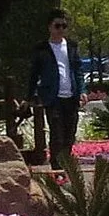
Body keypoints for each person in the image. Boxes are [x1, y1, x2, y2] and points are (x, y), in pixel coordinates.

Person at [25, 9, 84, 169]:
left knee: (69, 135)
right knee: (57, 135)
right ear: (49, 27)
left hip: (71, 97)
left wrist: (82, 90)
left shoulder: (72, 46)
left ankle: (67, 166)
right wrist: (29, 96)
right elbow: (34, 74)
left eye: (64, 26)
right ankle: (57, 169)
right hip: (53, 97)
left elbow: (78, 70)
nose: (61, 30)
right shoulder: (41, 49)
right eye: (57, 26)